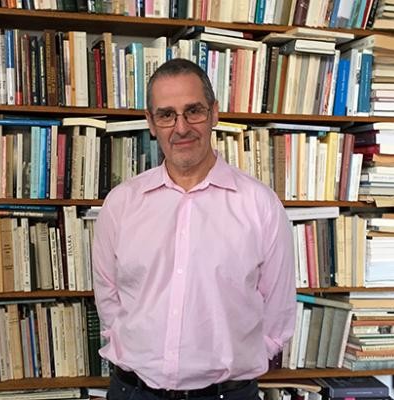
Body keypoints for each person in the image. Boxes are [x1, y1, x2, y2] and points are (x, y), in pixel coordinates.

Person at [92, 58, 297, 400]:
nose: (181, 127)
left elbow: (277, 311)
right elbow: (108, 296)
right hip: (134, 392)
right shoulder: (121, 204)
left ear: (214, 113)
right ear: (151, 123)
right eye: (166, 114)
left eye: (194, 111)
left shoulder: (260, 205)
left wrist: (233, 364)